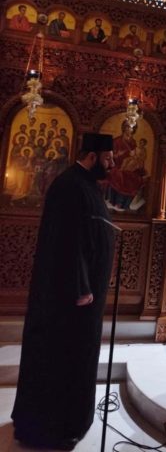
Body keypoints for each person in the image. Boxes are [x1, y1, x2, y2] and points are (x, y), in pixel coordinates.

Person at [12, 133, 115, 450]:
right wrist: (81, 287)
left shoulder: (85, 184)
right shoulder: (70, 186)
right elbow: (67, 242)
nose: (112, 163)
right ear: (92, 156)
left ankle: (73, 419)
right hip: (69, 299)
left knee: (78, 356)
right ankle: (54, 427)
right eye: (108, 157)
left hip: (83, 296)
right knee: (62, 357)